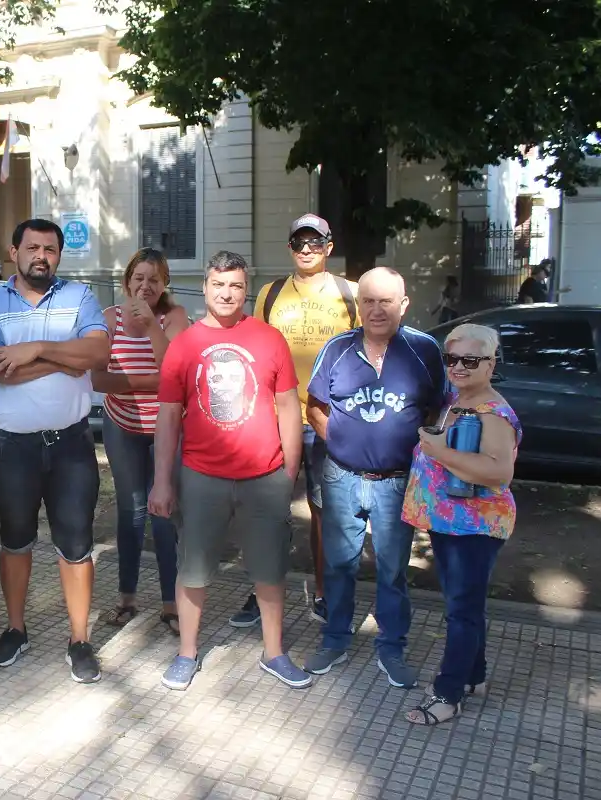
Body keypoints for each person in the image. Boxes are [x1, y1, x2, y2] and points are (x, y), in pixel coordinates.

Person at [149, 250, 311, 691]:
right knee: (193, 568)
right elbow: (167, 416)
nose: (226, 293)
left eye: (236, 285)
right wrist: (162, 481)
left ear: (246, 289)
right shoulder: (185, 344)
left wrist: (288, 472)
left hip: (265, 477)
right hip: (201, 477)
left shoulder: (269, 338)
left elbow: (287, 408)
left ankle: (275, 653)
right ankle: (187, 653)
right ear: (205, 287)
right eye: (219, 285)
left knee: (270, 568)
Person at [0, 218, 111, 683]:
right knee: (15, 540)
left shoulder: (80, 297)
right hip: (12, 448)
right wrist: (61, 361)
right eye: (33, 248)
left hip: (70, 446)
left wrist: (33, 350)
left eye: (50, 249)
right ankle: (15, 628)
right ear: (14, 252)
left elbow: (96, 355)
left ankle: (79, 639)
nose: (41, 257)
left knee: (76, 544)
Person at [303, 267, 447, 689]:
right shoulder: (337, 349)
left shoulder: (423, 350)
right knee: (340, 564)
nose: (376, 309)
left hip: (397, 480)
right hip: (342, 476)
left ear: (403, 304)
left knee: (392, 568)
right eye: (368, 300)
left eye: (386, 301)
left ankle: (392, 646)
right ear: (358, 306)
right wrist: (344, 442)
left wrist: (414, 446)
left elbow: (437, 407)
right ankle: (335, 639)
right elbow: (315, 407)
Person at [231, 214, 359, 630]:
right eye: (299, 242)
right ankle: (262, 591)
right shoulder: (270, 294)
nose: (306, 249)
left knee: (327, 511)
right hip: (276, 419)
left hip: (329, 420)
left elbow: (364, 354)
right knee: (268, 509)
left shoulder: (351, 294)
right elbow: (255, 354)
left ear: (329, 246)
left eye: (315, 242)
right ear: (290, 248)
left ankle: (324, 595)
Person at [401, 323, 521, 725]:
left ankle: (446, 694)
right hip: (451, 522)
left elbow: (498, 472)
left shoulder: (494, 413)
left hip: (474, 527)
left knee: (461, 611)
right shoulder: (458, 399)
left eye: (471, 360)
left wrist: (439, 451)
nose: (458, 367)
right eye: (452, 359)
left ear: (491, 363)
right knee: (465, 604)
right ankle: (474, 676)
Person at [92, 247, 189, 633]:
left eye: (154, 278)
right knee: (130, 512)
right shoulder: (108, 319)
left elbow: (175, 374)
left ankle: (171, 604)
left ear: (164, 283)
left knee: (164, 513)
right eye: (138, 278)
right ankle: (126, 599)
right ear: (126, 281)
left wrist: (151, 327)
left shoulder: (175, 317)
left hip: (167, 429)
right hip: (122, 425)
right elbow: (99, 380)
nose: (145, 285)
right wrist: (156, 383)